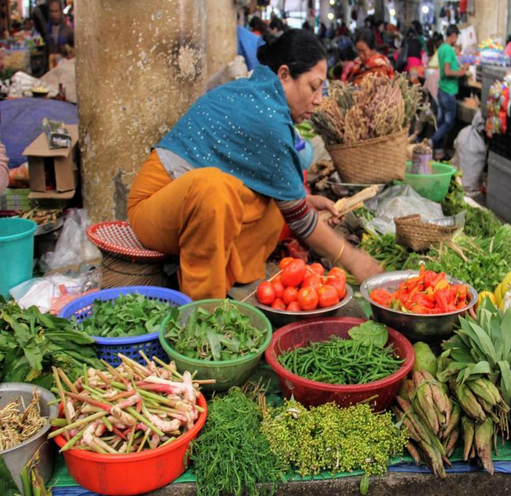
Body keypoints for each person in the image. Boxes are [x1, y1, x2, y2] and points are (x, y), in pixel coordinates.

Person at [127, 30, 383, 301]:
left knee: (270, 204)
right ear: (284, 75)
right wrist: (353, 259)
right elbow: (301, 222)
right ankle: (204, 309)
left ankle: (234, 276)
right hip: (152, 207)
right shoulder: (267, 115)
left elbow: (288, 203)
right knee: (214, 189)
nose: (319, 99)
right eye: (313, 87)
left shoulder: (261, 97)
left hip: (183, 203)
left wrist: (303, 200)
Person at [431, 25, 465, 159]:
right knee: (449, 123)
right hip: (448, 91)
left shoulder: (441, 48)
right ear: (454, 35)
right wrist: (460, 73)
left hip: (441, 89)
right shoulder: (449, 50)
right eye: (456, 37)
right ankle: (432, 141)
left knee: (440, 122)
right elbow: (447, 71)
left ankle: (439, 153)